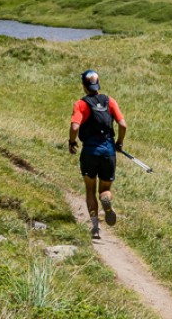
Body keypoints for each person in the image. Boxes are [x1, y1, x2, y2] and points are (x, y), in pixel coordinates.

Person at [68, 69, 127, 239]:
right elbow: (123, 125)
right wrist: (119, 143)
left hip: (90, 152)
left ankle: (95, 227)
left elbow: (74, 127)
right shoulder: (109, 101)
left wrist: (72, 142)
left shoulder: (81, 104)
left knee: (89, 189)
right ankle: (106, 201)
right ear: (98, 84)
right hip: (108, 152)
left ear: (84, 86)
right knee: (105, 190)